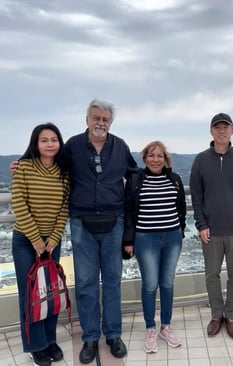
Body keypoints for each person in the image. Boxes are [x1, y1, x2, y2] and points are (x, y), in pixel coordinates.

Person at [64, 99, 137, 363]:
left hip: (114, 220)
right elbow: (51, 168)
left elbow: (134, 175)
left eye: (105, 119)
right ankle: (90, 338)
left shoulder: (120, 146)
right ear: (87, 120)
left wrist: (165, 176)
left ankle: (113, 334)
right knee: (85, 282)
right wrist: (25, 163)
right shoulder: (72, 146)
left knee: (113, 281)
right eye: (96, 118)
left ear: (110, 123)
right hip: (81, 220)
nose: (100, 123)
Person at [189, 113, 233, 340]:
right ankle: (217, 315)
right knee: (212, 275)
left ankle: (232, 316)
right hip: (211, 231)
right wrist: (201, 224)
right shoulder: (201, 160)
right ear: (211, 132)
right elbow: (196, 197)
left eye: (225, 128)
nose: (221, 131)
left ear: (232, 131)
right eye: (217, 128)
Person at [11, 123, 70, 366]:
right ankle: (36, 346)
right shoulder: (23, 167)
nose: (49, 144)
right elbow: (19, 203)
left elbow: (64, 208)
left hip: (51, 242)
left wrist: (53, 238)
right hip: (26, 240)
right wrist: (36, 239)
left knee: (50, 292)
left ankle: (49, 339)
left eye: (53, 139)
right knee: (31, 294)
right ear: (36, 143)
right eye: (44, 140)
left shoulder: (64, 171)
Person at [123, 141, 186, 353]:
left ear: (165, 158)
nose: (155, 159)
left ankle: (165, 326)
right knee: (150, 285)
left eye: (159, 156)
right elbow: (129, 212)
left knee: (167, 283)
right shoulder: (135, 180)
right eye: (151, 155)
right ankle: (150, 328)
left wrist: (180, 232)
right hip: (145, 239)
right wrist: (129, 241)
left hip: (172, 237)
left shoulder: (174, 179)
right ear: (145, 158)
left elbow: (181, 209)